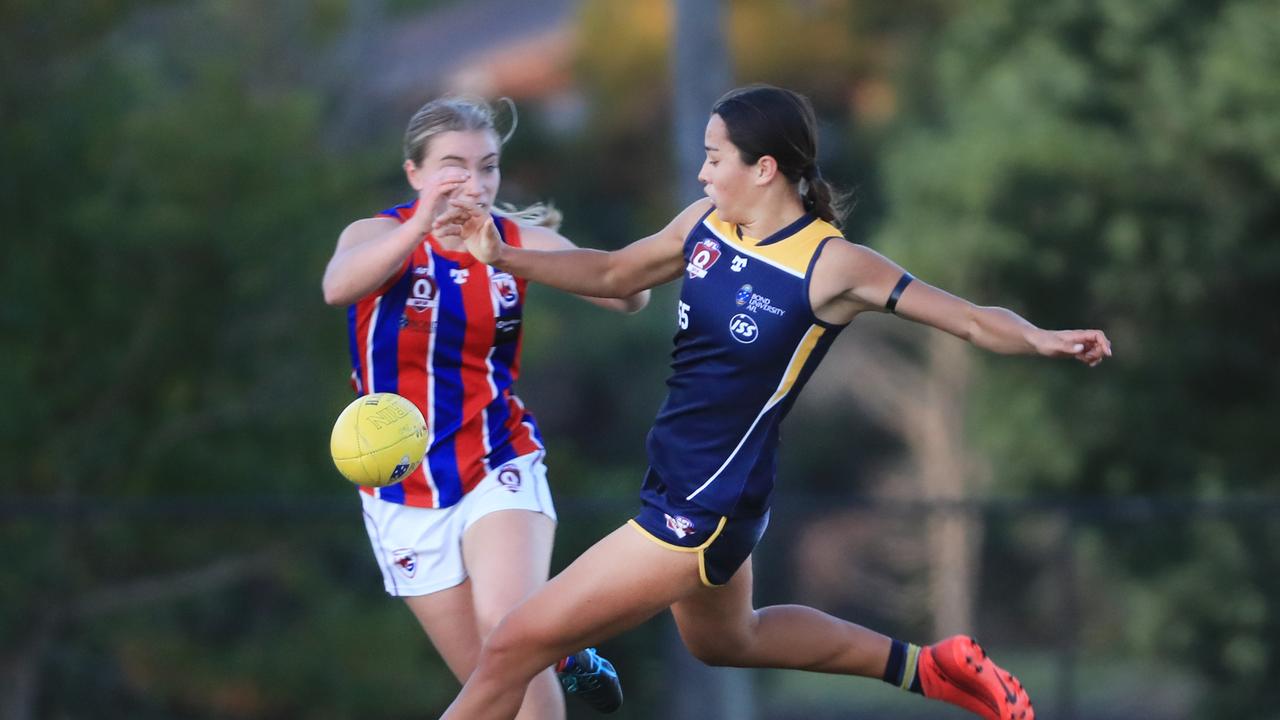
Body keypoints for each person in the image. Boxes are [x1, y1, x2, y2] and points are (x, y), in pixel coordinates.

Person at [432, 84, 1112, 720]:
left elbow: (965, 317)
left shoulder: (831, 264)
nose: (702, 174)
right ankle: (931, 668)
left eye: (713, 157)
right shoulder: (706, 223)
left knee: (511, 645)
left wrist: (1040, 338)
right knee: (731, 640)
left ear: (763, 169)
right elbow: (613, 271)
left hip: (702, 506)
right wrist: (501, 255)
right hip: (697, 488)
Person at [321, 97, 645, 718]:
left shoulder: (514, 240)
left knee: (509, 629)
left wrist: (511, 257)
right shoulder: (380, 234)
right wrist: (420, 226)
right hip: (400, 492)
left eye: (488, 167)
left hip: (496, 458)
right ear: (415, 173)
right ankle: (567, 654)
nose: (474, 183)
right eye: (453, 167)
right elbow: (338, 287)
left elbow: (627, 296)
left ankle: (549, 644)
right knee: (494, 687)